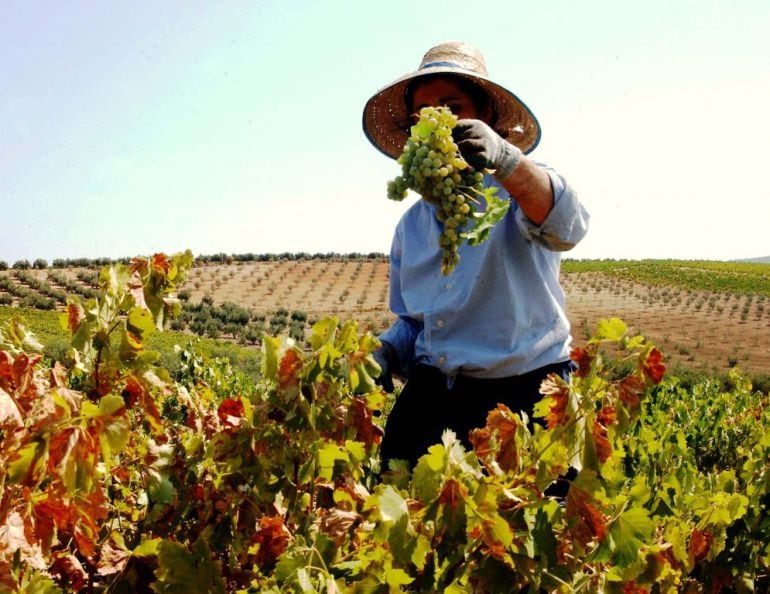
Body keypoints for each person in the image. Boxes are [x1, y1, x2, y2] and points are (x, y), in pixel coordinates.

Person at [362, 41, 590, 471]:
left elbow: (568, 226)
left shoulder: (521, 188)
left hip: (527, 395)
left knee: (534, 525)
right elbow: (417, 323)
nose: (438, 120)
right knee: (401, 509)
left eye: (453, 106)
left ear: (484, 116)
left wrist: (507, 160)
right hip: (435, 395)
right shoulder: (410, 227)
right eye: (424, 112)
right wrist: (388, 351)